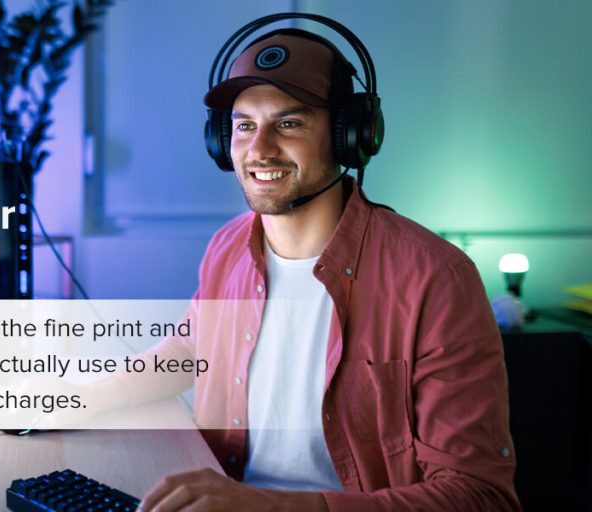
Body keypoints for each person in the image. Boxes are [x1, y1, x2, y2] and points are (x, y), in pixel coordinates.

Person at [92, 24, 519, 511]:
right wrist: (87, 396)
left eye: (289, 124)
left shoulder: (435, 279)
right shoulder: (228, 247)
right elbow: (190, 348)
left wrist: (273, 506)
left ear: (350, 136)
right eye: (245, 125)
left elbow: (480, 497)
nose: (259, 150)